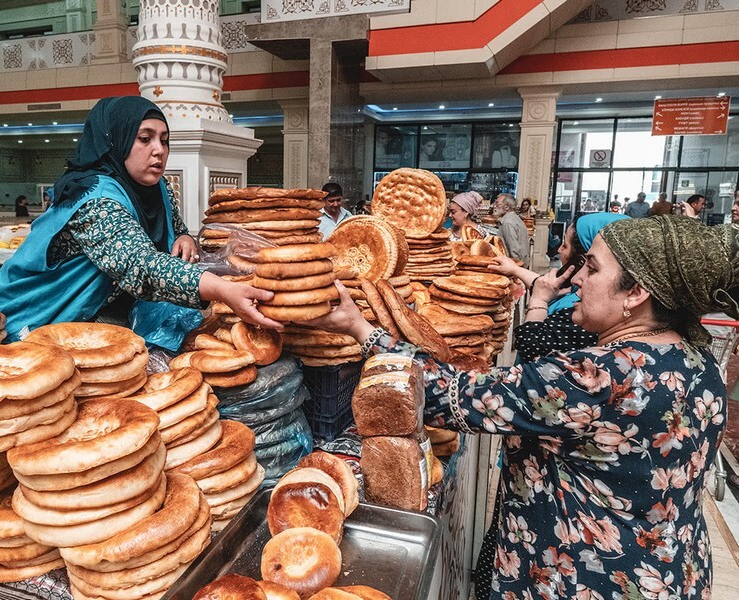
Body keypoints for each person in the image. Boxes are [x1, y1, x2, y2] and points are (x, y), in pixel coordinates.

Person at [304, 215, 736, 599]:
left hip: (585, 576)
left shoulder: (594, 379)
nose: (577, 280)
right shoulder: (698, 361)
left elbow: (444, 393)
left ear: (636, 293)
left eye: (592, 268)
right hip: (671, 567)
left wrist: (361, 329)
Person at [0, 96, 280, 348]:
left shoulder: (158, 188)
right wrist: (222, 289)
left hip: (103, 309)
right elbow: (140, 265)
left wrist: (184, 237)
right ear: (116, 140)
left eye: (164, 140)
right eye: (144, 138)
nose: (159, 150)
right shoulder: (95, 198)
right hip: (42, 318)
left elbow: (174, 226)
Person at [491, 212, 628, 361]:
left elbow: (531, 349)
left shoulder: (585, 311)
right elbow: (545, 285)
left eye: (566, 245)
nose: (559, 250)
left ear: (582, 258)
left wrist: (538, 301)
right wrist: (514, 269)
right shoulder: (580, 290)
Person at [493, 193, 530, 262]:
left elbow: (514, 251)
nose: (494, 206)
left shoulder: (508, 223)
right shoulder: (513, 218)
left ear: (507, 207)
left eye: (497, 203)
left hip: (514, 264)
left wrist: (515, 266)